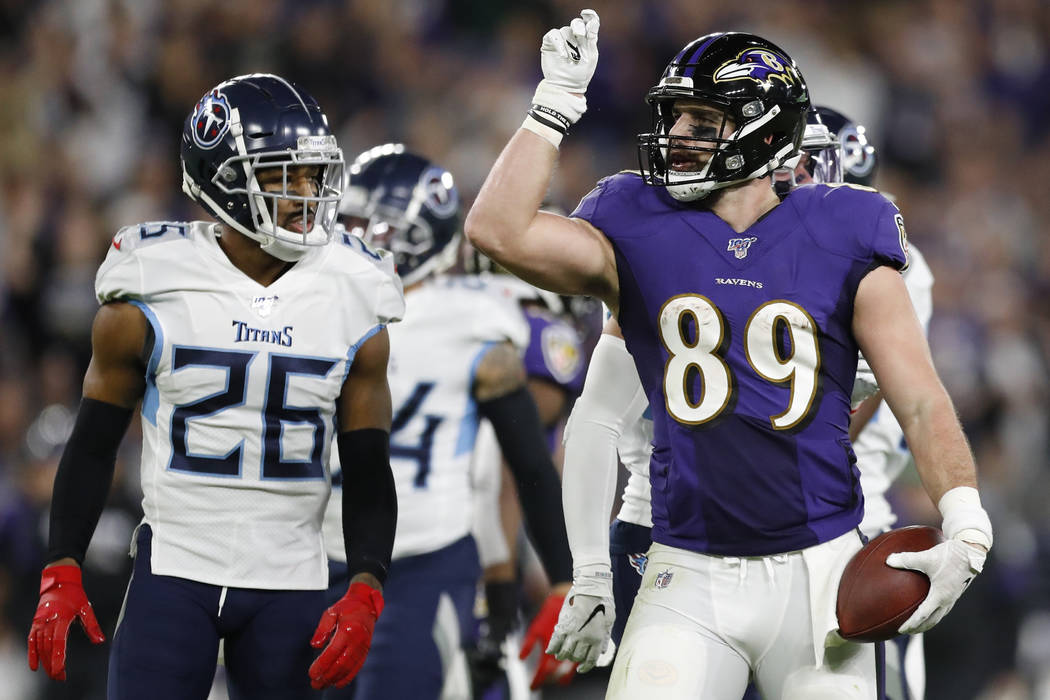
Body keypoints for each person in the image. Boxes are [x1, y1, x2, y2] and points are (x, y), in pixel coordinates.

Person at [465, 13, 993, 699]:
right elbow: (496, 230)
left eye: (701, 122)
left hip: (819, 568)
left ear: (765, 132)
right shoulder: (637, 221)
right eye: (676, 118)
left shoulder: (846, 229)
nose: (677, 137)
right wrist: (553, 107)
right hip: (686, 566)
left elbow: (920, 398)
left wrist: (967, 520)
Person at [25, 73, 404, 699]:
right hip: (175, 566)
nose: (308, 194)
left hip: (293, 576)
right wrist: (62, 563)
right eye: (287, 175)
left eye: (314, 175)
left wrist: (366, 581)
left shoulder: (354, 289)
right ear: (226, 177)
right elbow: (93, 443)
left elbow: (367, 465)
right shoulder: (150, 280)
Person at [551, 106, 937, 700]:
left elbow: (883, 408)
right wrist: (588, 568)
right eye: (791, 166)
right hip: (668, 527)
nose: (796, 183)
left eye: (810, 170)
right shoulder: (666, 242)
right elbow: (599, 415)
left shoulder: (861, 259)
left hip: (824, 539)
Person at [322, 144, 574, 699]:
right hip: (311, 554)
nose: (353, 236)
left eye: (373, 225)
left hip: (423, 555)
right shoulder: (318, 303)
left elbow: (526, 462)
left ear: (419, 234)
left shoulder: (474, 319)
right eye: (349, 220)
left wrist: (561, 578)